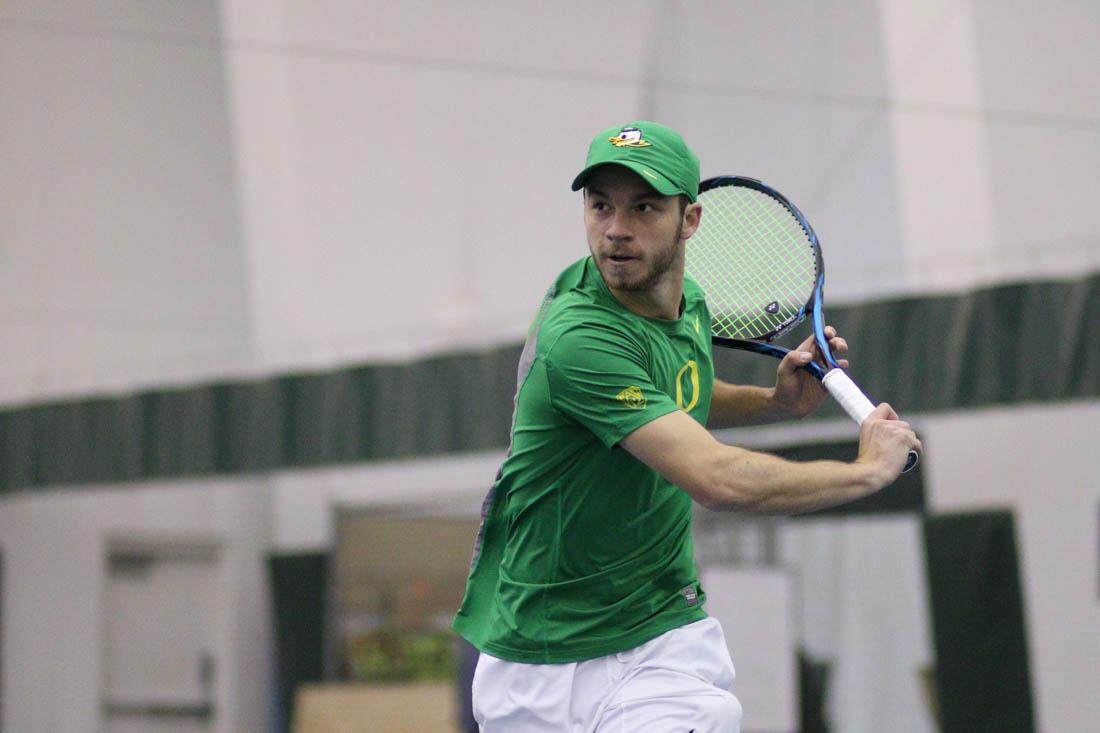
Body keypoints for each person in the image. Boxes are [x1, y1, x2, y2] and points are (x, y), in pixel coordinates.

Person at [452, 120, 921, 732]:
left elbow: (674, 398)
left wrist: (772, 402)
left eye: (643, 207)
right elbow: (718, 480)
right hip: (538, 664)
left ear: (690, 220)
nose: (617, 229)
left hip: (661, 639)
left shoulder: (690, 303)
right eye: (601, 207)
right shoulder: (579, 337)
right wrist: (867, 471)